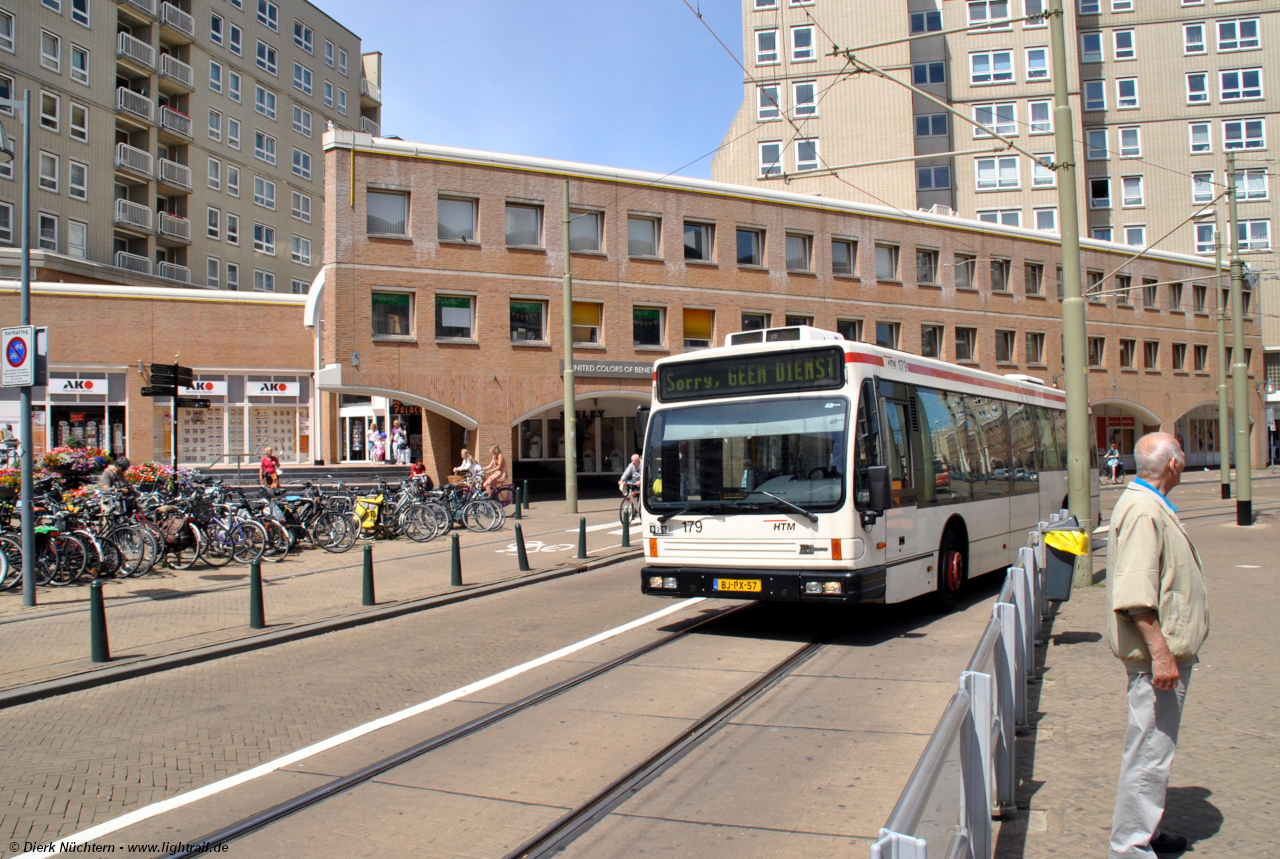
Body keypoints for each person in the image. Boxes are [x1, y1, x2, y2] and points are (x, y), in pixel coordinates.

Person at [1106, 432, 1209, 859]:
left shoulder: (1149, 504)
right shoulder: (1144, 509)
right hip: (1157, 660)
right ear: (1174, 465)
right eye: (1181, 451)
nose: (1184, 456)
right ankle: (1130, 846)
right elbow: (1135, 595)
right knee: (1149, 751)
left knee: (1154, 748)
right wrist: (1161, 654)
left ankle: (1146, 829)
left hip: (1164, 654)